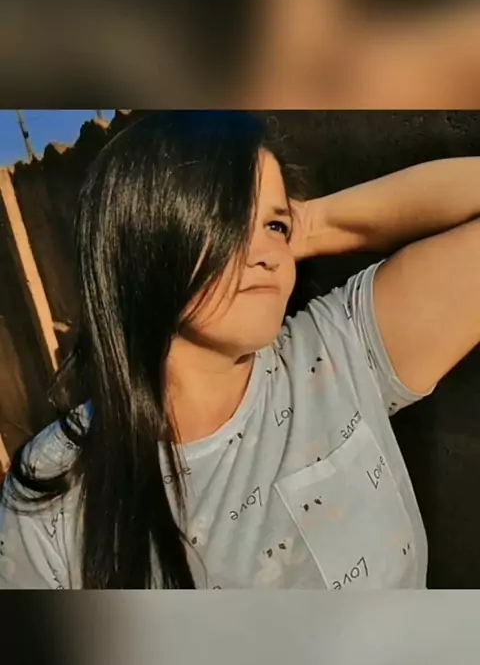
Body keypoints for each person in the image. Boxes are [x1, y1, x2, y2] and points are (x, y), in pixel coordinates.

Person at [1, 110, 479, 590]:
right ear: (144, 238)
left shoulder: (339, 350)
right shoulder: (53, 495)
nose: (269, 254)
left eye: (274, 225)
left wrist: (313, 223)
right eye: (227, 219)